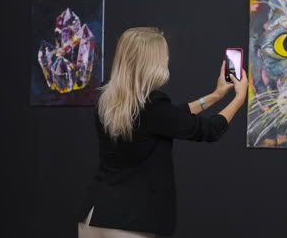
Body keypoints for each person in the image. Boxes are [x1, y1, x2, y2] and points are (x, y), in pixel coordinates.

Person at [78, 27, 248, 238]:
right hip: (131, 221)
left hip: (94, 216)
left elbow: (171, 117)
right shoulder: (152, 106)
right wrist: (239, 98)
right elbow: (210, 130)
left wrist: (215, 96)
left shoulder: (107, 98)